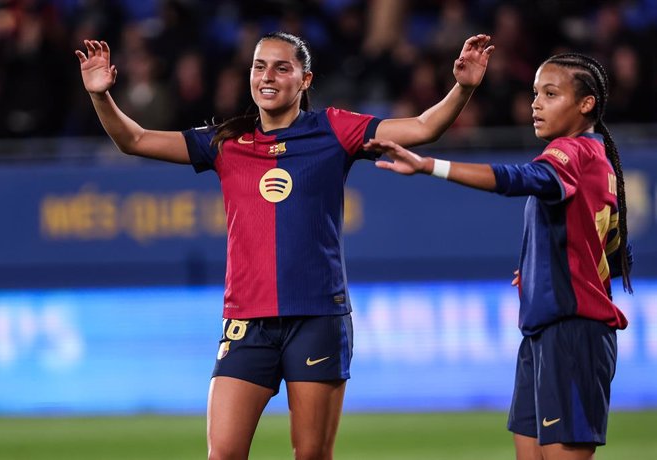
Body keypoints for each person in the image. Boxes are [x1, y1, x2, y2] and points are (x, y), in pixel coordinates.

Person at [75, 31, 493, 459]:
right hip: (247, 322)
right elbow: (135, 140)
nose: (267, 76)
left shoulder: (334, 129)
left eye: (282, 67)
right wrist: (101, 97)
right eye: (259, 66)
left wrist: (463, 87)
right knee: (224, 454)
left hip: (316, 318)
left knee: (311, 454)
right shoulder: (225, 141)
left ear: (305, 79)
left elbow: (424, 127)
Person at [366, 53, 633, 460]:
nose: (536, 104)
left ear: (587, 104)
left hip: (573, 336)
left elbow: (521, 179)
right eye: (535, 93)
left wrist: (428, 165)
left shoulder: (572, 153)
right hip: (544, 332)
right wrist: (544, 266)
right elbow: (615, 251)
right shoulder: (598, 160)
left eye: (551, 93)